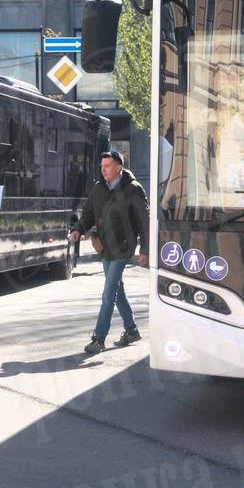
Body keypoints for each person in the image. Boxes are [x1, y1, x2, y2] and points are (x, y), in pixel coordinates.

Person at [69, 150, 149, 354]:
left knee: (108, 292)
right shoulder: (98, 188)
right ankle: (131, 330)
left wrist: (145, 250)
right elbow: (87, 213)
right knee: (116, 290)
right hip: (105, 247)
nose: (103, 170)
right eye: (102, 166)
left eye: (107, 166)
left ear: (118, 167)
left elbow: (144, 222)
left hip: (123, 247)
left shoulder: (134, 190)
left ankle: (99, 338)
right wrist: (78, 229)